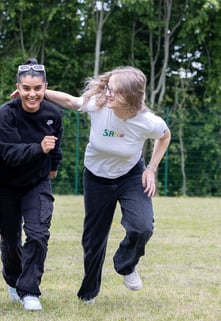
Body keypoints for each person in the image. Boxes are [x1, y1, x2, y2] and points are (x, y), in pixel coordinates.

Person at [44, 66, 171, 303]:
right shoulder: (98, 105)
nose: (108, 94)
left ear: (132, 96)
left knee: (142, 227)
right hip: (96, 178)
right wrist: (40, 92)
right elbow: (71, 102)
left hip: (131, 175)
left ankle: (126, 264)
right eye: (108, 88)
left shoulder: (148, 122)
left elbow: (165, 136)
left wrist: (151, 169)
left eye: (115, 91)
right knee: (94, 239)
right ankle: (89, 293)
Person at [0, 58, 63, 311]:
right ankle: (13, 280)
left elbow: (56, 149)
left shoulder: (53, 114)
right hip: (6, 185)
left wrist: (51, 167)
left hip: (37, 184)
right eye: (26, 89)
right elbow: (9, 155)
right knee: (10, 241)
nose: (32, 94)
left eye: (37, 89)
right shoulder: (5, 114)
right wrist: (39, 148)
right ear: (18, 88)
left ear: (45, 88)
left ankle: (30, 291)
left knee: (38, 234)